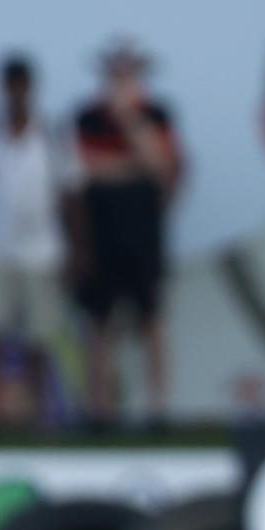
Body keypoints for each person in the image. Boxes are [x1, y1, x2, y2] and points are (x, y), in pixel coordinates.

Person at [0, 56, 88, 425]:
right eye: (10, 84)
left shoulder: (53, 131)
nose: (16, 91)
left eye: (22, 84)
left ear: (31, 86)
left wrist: (79, 248)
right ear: (3, 86)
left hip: (42, 251)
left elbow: (71, 194)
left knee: (40, 337)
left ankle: (39, 411)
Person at [73, 38, 183, 425]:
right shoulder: (87, 117)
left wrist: (130, 120)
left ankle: (158, 409)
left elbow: (161, 164)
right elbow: (87, 168)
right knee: (101, 324)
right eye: (115, 74)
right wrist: (134, 166)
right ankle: (99, 410)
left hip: (144, 236)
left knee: (152, 320)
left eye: (129, 74)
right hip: (102, 236)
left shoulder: (157, 114)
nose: (121, 81)